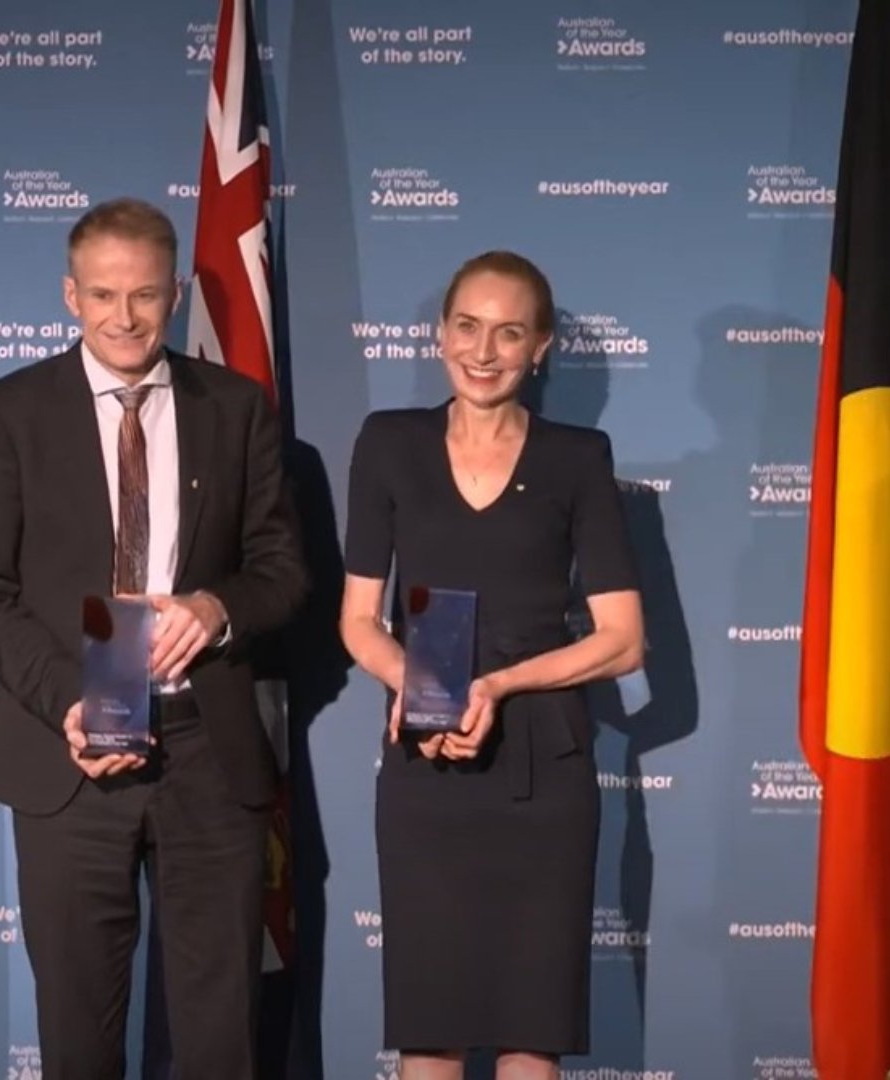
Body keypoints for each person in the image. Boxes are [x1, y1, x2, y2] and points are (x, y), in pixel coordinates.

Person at [0, 198, 308, 1080]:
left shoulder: (236, 406)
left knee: (222, 1035)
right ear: (70, 295)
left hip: (209, 754)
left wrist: (216, 610)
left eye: (145, 296)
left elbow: (283, 572)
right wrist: (70, 701)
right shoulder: (6, 414)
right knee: (77, 1037)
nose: (124, 318)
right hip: (66, 760)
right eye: (103, 295)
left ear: (176, 291)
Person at [339, 251, 644, 1080]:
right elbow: (358, 622)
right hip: (424, 760)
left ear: (540, 347)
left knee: (528, 1031)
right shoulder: (389, 443)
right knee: (429, 1031)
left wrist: (500, 686)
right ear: (441, 334)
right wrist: (420, 688)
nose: (484, 350)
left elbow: (623, 638)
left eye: (510, 332)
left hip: (545, 771)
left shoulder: (579, 457)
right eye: (468, 326)